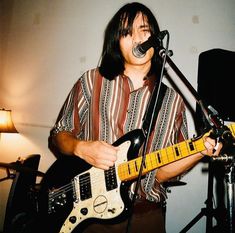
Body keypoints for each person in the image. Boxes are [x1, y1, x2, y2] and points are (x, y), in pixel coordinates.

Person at [48, 2, 220, 233]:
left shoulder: (173, 101)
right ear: (116, 43)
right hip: (90, 217)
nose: (137, 38)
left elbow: (160, 172)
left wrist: (200, 149)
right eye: (127, 33)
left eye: (144, 30)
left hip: (147, 217)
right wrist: (81, 147)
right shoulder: (92, 81)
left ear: (155, 39)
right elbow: (59, 134)